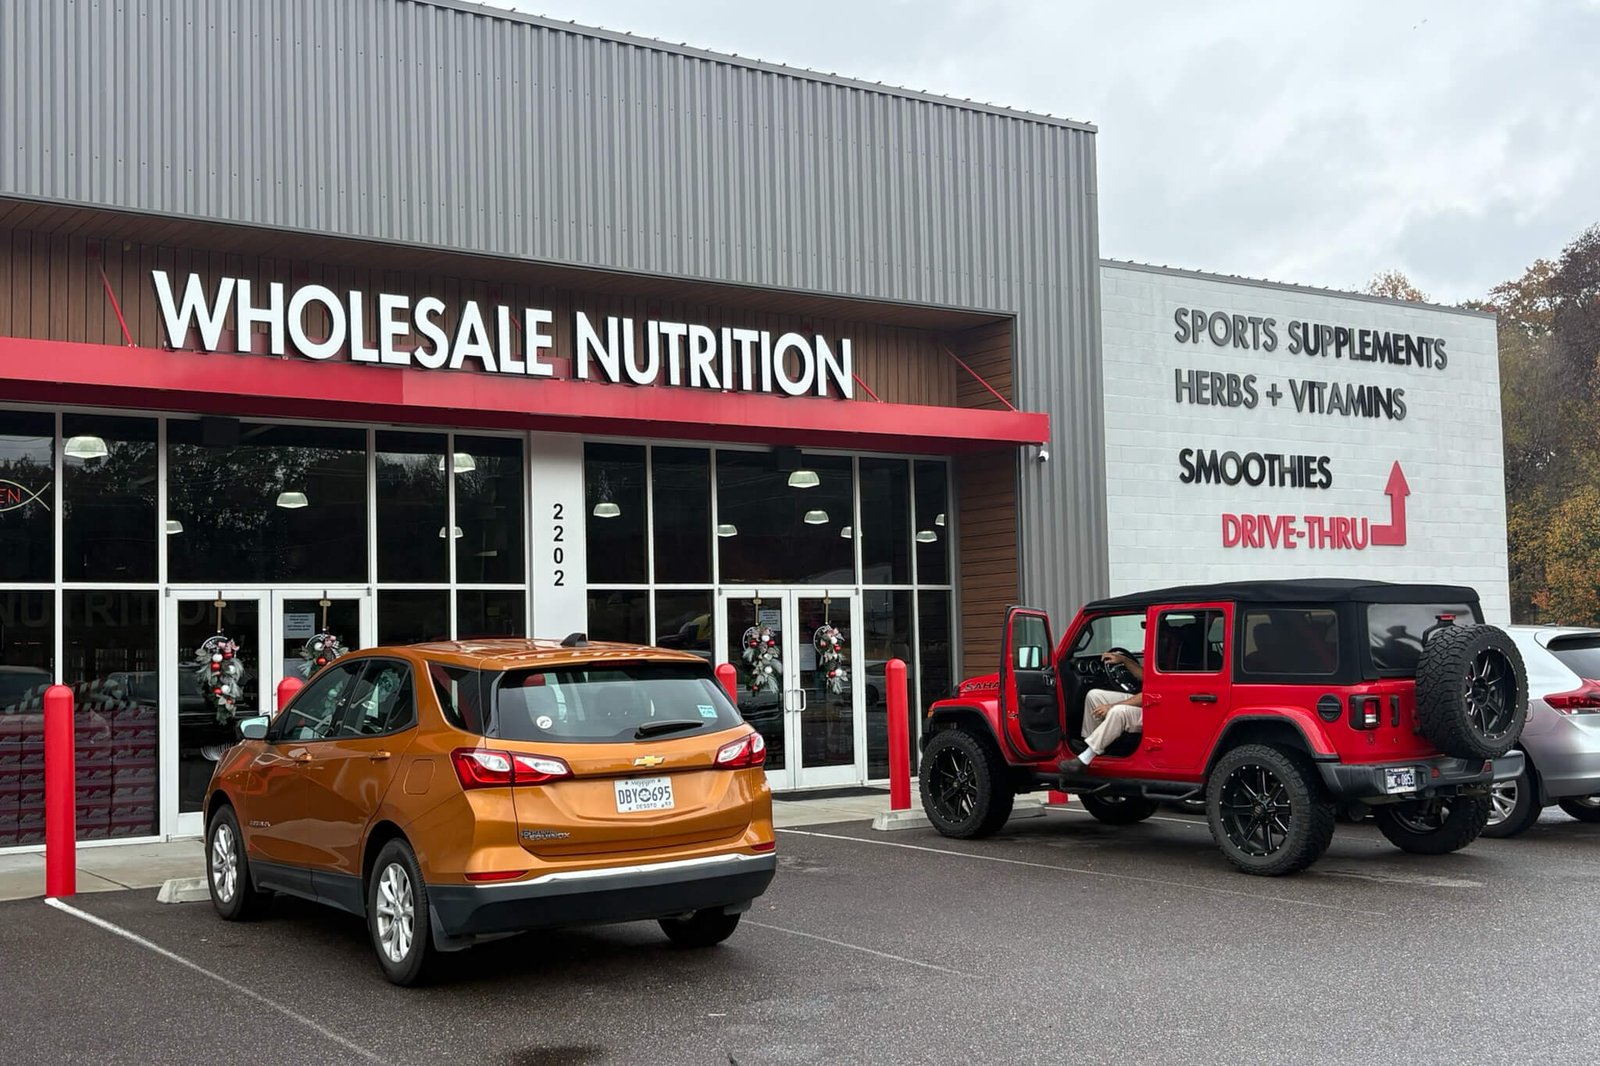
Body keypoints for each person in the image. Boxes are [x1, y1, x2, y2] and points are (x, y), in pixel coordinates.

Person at [1058, 649, 1144, 777]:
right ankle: (1089, 745)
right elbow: (1145, 676)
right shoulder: (1162, 658)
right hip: (1149, 700)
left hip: (1159, 710)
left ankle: (1085, 759)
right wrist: (1124, 660)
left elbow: (1150, 693)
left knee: (1118, 711)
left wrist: (1112, 706)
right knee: (1095, 696)